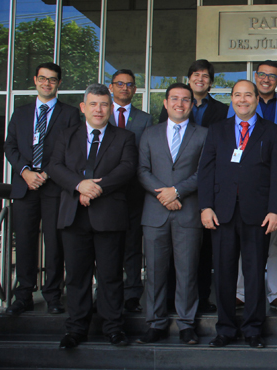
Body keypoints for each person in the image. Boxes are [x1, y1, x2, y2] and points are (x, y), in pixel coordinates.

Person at [199, 80, 277, 349]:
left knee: (253, 273)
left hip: (257, 214)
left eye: (248, 95)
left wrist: (276, 210)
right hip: (222, 213)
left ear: (256, 99)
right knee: (224, 274)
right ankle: (225, 329)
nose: (243, 100)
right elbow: (206, 171)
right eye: (237, 95)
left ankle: (253, 329)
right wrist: (205, 206)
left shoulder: (272, 131)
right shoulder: (216, 130)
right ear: (232, 99)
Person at [48, 83, 138, 349]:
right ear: (83, 107)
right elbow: (54, 166)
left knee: (110, 275)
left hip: (109, 214)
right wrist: (79, 185)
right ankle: (76, 329)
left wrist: (96, 188)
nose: (99, 110)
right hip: (74, 215)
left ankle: (114, 328)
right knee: (76, 275)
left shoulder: (124, 137)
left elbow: (127, 168)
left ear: (111, 108)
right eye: (94, 104)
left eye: (104, 104)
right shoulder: (66, 135)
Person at [4, 62, 81, 316]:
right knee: (24, 242)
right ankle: (24, 294)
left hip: (54, 188)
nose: (47, 83)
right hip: (24, 187)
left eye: (53, 80)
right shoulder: (21, 112)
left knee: (54, 243)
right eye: (43, 79)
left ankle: (52, 295)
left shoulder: (69, 114)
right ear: (35, 80)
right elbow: (10, 147)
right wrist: (26, 172)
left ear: (59, 84)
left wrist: (47, 173)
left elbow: (70, 150)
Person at [136, 83, 208, 345]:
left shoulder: (203, 134)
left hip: (188, 212)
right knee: (154, 272)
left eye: (186, 99)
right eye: (175, 99)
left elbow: (204, 172)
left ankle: (186, 324)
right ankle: (155, 324)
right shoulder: (149, 134)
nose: (180, 104)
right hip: (155, 213)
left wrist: (176, 191)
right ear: (165, 103)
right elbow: (142, 170)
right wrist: (164, 195)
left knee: (188, 272)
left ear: (192, 104)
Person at [161, 59, 227, 313]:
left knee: (204, 249)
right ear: (189, 78)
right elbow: (162, 151)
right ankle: (169, 300)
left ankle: (201, 297)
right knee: (170, 253)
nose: (200, 78)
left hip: (205, 186)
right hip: (171, 192)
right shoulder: (173, 105)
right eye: (195, 74)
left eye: (205, 75)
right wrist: (171, 191)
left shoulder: (221, 110)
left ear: (211, 82)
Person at [229, 60, 277, 312]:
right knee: (244, 241)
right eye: (262, 74)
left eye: (272, 76)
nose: (267, 79)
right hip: (245, 186)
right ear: (256, 77)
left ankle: (276, 293)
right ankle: (240, 292)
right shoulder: (237, 108)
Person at [108, 68, 154, 313]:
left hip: (135, 193)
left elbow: (147, 157)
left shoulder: (145, 119)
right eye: (119, 83)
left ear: (135, 89)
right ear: (111, 87)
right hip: (105, 194)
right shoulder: (101, 113)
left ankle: (132, 294)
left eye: (129, 84)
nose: (124, 88)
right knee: (107, 246)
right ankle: (106, 292)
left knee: (133, 247)